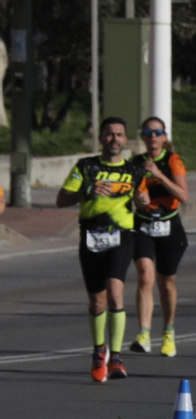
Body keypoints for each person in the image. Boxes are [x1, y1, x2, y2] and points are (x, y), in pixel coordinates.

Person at [57, 117, 138, 383]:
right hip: (91, 236)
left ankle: (116, 356)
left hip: (122, 235)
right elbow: (61, 199)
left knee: (116, 293)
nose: (114, 139)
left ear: (125, 140)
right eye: (109, 134)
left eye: (119, 135)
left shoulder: (134, 170)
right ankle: (98, 350)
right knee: (97, 300)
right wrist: (88, 190)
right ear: (101, 138)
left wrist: (144, 199)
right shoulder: (86, 167)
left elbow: (144, 198)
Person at [129, 116, 188, 358]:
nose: (153, 137)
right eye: (148, 132)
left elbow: (183, 196)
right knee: (145, 276)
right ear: (142, 137)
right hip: (143, 226)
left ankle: (168, 331)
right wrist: (137, 198)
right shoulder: (135, 163)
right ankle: (143, 334)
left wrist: (159, 176)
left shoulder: (173, 161)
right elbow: (131, 193)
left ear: (164, 137)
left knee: (167, 284)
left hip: (169, 227)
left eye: (158, 132)